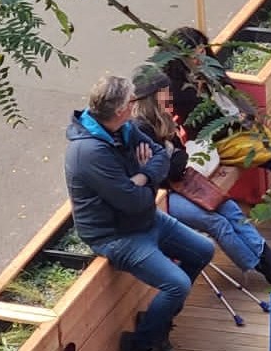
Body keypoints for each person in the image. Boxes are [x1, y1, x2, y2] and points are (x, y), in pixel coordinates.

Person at [65, 75, 214, 351]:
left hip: (143, 219)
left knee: (203, 250)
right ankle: (141, 344)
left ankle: (157, 322)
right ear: (121, 109)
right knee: (177, 284)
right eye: (131, 101)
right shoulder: (89, 152)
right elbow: (134, 202)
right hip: (115, 235)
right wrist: (147, 177)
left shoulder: (124, 128)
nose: (135, 105)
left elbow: (161, 157)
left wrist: (143, 176)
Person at [128, 66, 271, 288]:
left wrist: (172, 156)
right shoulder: (140, 129)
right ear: (153, 96)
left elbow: (180, 156)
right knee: (215, 221)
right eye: (164, 90)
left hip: (179, 183)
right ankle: (264, 267)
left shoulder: (162, 119)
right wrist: (172, 157)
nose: (169, 94)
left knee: (229, 207)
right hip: (160, 197)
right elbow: (166, 170)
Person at [151, 27, 271, 178]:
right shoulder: (174, 86)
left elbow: (233, 94)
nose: (200, 59)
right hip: (215, 139)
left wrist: (248, 114)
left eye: (202, 51)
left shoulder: (210, 66)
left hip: (240, 126)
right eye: (193, 56)